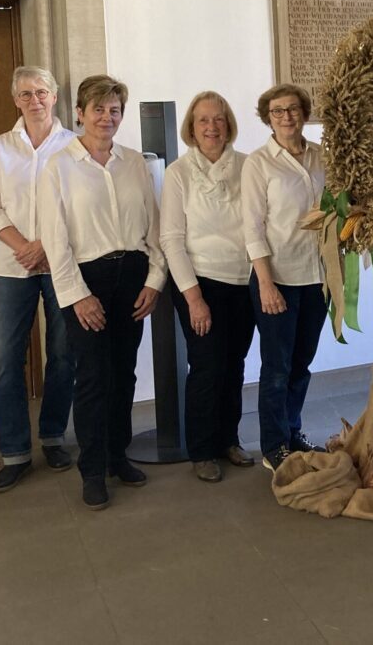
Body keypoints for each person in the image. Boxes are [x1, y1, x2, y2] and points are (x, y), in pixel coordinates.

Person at [38, 74, 167, 510]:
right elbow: (55, 241)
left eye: (114, 110)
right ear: (79, 113)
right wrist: (77, 296)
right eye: (98, 109)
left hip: (132, 275)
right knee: (92, 377)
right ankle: (92, 470)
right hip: (87, 279)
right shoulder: (59, 165)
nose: (106, 117)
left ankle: (117, 455)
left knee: (124, 372)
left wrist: (154, 281)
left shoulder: (134, 162)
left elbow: (154, 227)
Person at [0, 66, 77, 492]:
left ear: (55, 96)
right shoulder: (0, 147)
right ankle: (15, 453)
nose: (34, 100)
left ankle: (53, 436)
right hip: (11, 266)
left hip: (61, 265)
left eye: (41, 92)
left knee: (63, 353)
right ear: (15, 100)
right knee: (5, 359)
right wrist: (25, 247)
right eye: (25, 94)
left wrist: (46, 247)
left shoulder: (74, 145)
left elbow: (77, 208)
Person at [160, 91, 255, 483]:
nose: (211, 127)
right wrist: (193, 297)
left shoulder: (249, 166)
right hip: (199, 283)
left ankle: (228, 440)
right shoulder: (179, 173)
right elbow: (170, 238)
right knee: (206, 366)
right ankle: (201, 449)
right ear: (192, 128)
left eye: (218, 119)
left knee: (235, 365)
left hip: (243, 281)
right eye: (203, 120)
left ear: (228, 124)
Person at [242, 83, 328, 473]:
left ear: (304, 113)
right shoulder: (258, 163)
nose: (287, 116)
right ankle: (273, 445)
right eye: (278, 111)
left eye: (293, 109)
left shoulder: (321, 157)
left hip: (318, 277)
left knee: (301, 363)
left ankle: (293, 431)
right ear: (268, 118)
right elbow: (252, 228)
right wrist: (265, 283)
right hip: (277, 278)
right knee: (276, 367)